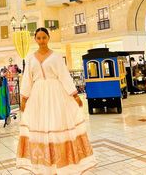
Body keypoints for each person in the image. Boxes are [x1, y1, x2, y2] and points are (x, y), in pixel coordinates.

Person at [17, 27, 96, 174]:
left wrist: (75, 95)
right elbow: (27, 79)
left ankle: (61, 161)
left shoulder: (56, 56)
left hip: (56, 94)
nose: (41, 41)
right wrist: (24, 99)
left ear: (48, 38)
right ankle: (46, 163)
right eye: (39, 38)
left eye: (44, 37)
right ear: (35, 39)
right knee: (41, 126)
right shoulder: (30, 59)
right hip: (38, 96)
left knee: (56, 124)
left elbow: (64, 76)